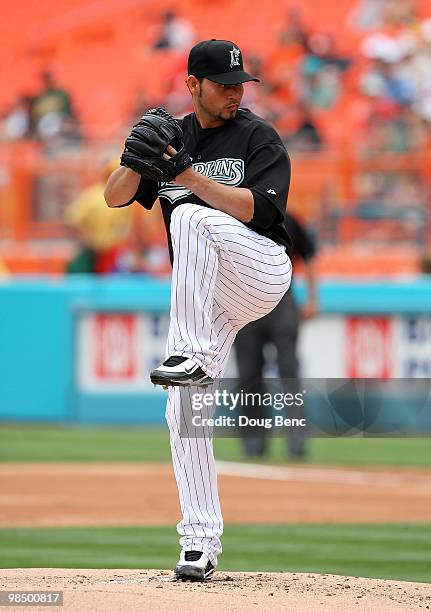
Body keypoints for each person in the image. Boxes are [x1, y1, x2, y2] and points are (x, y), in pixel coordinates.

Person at [104, 39, 292, 582]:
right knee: (183, 411)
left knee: (188, 217)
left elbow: (260, 209)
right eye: (224, 84)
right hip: (208, 294)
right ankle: (199, 543)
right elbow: (117, 197)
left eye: (240, 84)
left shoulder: (257, 135)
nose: (236, 93)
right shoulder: (173, 136)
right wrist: (133, 157)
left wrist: (187, 177)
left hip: (260, 269)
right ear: (193, 86)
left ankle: (190, 352)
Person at [234, 211, 318, 459]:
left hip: (281, 301)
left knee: (289, 371)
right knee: (249, 375)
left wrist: (313, 298)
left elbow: (310, 255)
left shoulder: (288, 219)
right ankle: (254, 441)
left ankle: (297, 440)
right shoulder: (234, 215)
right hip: (245, 301)